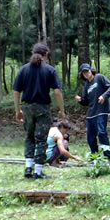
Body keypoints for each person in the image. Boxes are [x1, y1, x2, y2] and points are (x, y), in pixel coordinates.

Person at [13, 42, 65, 180]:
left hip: (27, 107)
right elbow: (57, 92)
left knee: (29, 136)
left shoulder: (23, 69)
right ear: (46, 54)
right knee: (41, 139)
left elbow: (16, 91)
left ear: (33, 53)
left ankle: (28, 167)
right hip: (43, 108)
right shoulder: (50, 70)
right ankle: (38, 171)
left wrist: (18, 110)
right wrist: (61, 110)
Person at [75, 63, 110, 161]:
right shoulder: (86, 85)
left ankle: (108, 157)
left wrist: (104, 96)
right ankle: (95, 158)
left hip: (101, 111)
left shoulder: (99, 77)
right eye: (84, 73)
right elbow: (86, 102)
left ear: (91, 70)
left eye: (87, 71)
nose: (86, 73)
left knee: (101, 133)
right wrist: (80, 100)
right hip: (91, 114)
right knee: (90, 137)